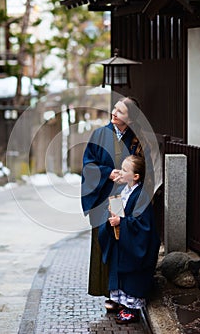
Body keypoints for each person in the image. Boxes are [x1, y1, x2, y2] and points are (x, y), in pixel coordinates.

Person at [81, 96, 154, 311]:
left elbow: (144, 169)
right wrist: (107, 173)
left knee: (122, 242)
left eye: (120, 111)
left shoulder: (138, 140)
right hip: (106, 197)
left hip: (128, 197)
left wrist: (129, 179)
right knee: (106, 241)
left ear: (130, 118)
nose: (114, 113)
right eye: (114, 108)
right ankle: (109, 292)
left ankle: (124, 293)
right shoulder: (99, 134)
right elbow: (88, 166)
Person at [98, 155, 160, 323]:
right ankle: (120, 301)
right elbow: (117, 209)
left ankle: (132, 308)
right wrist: (113, 218)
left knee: (132, 273)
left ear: (136, 176)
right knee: (119, 268)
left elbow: (143, 225)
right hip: (123, 240)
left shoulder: (142, 195)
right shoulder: (123, 190)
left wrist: (122, 222)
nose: (120, 171)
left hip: (134, 241)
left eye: (125, 169)